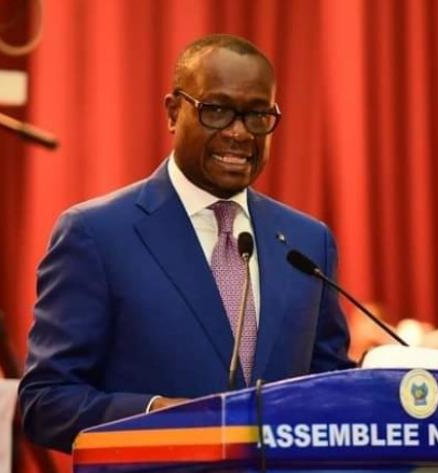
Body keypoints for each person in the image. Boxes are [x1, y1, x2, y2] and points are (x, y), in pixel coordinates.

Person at [18, 34, 355, 453]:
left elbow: (330, 385)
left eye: (257, 115)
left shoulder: (307, 241)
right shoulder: (96, 234)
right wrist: (157, 415)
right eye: (217, 111)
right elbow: (45, 402)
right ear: (174, 112)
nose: (239, 133)